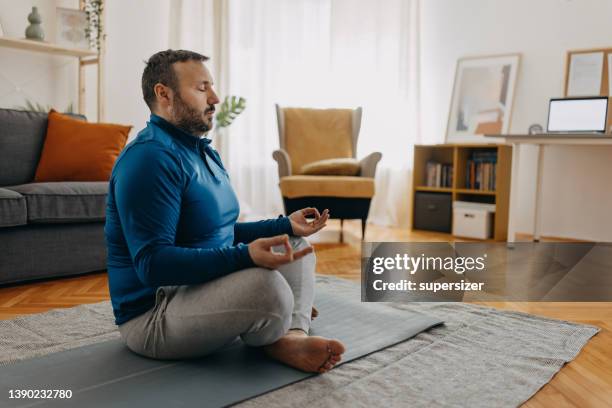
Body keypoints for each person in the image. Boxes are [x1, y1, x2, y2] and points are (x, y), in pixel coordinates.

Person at [105, 49, 345, 373]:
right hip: (154, 315)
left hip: (196, 288)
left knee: (295, 245)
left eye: (211, 86)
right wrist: (245, 257)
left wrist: (285, 225)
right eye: (202, 88)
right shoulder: (149, 159)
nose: (215, 97)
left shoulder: (203, 153)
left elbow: (220, 233)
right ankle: (276, 321)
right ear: (164, 94)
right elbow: (152, 265)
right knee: (266, 286)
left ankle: (290, 336)